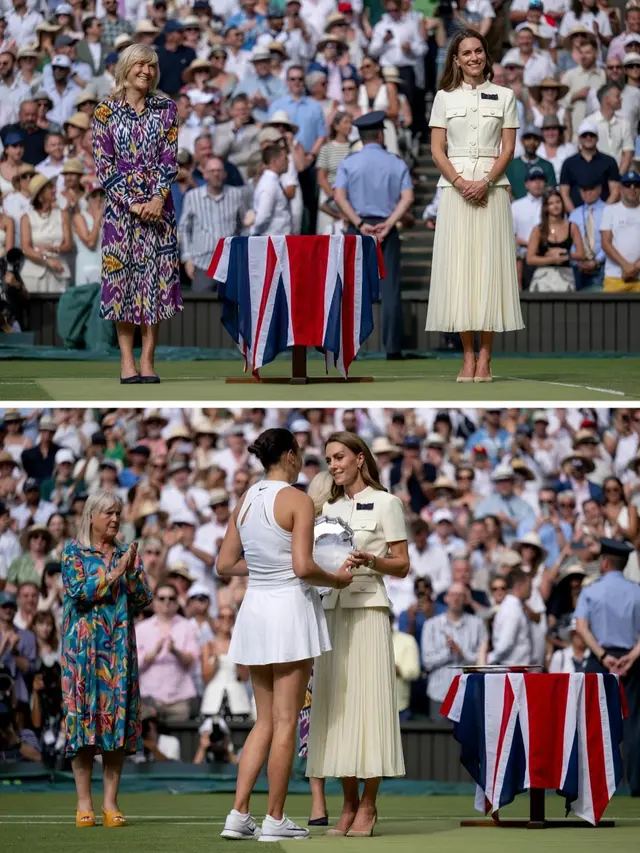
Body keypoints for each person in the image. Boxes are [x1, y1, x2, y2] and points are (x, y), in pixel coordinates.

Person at [216, 428, 352, 843]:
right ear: (291, 455)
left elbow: (225, 563)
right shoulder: (297, 499)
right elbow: (302, 566)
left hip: (256, 610)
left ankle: (239, 813)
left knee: (265, 722)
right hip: (289, 611)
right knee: (286, 721)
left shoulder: (246, 498)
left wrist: (264, 569)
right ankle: (275, 818)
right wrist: (337, 578)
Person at [307, 431, 409, 837]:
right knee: (338, 709)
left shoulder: (388, 503)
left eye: (339, 457)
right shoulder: (324, 508)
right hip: (332, 613)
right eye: (329, 459)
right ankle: (347, 805)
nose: (333, 465)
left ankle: (368, 805)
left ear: (360, 459)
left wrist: (373, 560)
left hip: (368, 612)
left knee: (370, 707)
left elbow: (402, 564)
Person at [427, 30, 524, 383]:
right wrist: (459, 183)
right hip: (454, 192)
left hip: (492, 189)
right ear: (455, 59)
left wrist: (483, 182)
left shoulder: (506, 96)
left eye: (478, 51)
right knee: (460, 273)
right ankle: (467, 356)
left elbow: (508, 149)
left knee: (490, 272)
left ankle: (486, 359)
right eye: (465, 52)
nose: (473, 57)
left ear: (486, 55)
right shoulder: (443, 97)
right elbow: (438, 149)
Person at [61, 490, 152, 827]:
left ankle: (110, 803)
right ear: (92, 516)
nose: (115, 519)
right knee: (82, 727)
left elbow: (143, 598)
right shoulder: (74, 551)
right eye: (108, 514)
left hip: (117, 652)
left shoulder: (127, 553)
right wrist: (114, 574)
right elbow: (78, 591)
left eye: (118, 513)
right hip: (82, 654)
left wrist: (129, 571)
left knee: (116, 726)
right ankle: (83, 802)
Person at [93, 44, 182, 385]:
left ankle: (148, 359)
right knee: (122, 283)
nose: (146, 71)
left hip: (160, 207)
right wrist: (131, 203)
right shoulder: (105, 111)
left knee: (155, 282)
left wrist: (158, 199)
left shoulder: (166, 108)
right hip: (120, 212)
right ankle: (126, 360)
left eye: (151, 66)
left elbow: (168, 159)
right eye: (140, 65)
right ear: (126, 68)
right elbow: (104, 165)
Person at [333, 110, 414, 361]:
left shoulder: (349, 162)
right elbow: (408, 197)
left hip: (358, 228)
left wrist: (358, 222)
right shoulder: (396, 162)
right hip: (385, 229)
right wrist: (390, 223)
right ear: (380, 135)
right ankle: (392, 348)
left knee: (351, 289)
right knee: (390, 291)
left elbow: (338, 197)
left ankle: (349, 347)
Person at [574, 538, 640, 796]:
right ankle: (637, 784)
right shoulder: (637, 590)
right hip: (631, 660)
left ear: (604, 562)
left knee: (595, 721)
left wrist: (603, 656)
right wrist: (631, 657)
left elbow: (581, 628)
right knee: (634, 722)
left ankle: (595, 784)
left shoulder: (591, 591)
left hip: (601, 660)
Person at [178, 156, 250, 291]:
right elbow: (184, 229)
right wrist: (187, 258)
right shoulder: (192, 197)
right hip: (202, 263)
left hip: (230, 263)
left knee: (232, 307)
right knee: (202, 309)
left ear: (224, 174)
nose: (216, 174)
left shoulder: (236, 195)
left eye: (219, 171)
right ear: (204, 174)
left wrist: (241, 253)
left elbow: (244, 226)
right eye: (212, 171)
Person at [421, 581, 488, 717]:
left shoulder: (478, 625)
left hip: (468, 694)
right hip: (439, 693)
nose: (456, 598)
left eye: (460, 595)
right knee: (439, 737)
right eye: (453, 594)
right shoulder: (431, 625)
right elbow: (427, 662)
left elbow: (482, 663)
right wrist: (448, 653)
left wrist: (461, 654)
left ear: (466, 599)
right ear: (446, 598)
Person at [527, 187, 585, 291]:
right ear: (546, 207)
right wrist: (552, 259)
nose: (555, 206)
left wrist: (564, 253)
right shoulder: (538, 230)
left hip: (565, 275)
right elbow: (530, 259)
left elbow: (581, 254)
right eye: (551, 203)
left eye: (558, 202)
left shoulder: (572, 227)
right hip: (542, 277)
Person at [600, 168, 640, 292]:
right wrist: (625, 265)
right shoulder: (609, 210)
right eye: (628, 185)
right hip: (615, 275)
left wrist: (634, 268)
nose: (632, 188)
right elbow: (605, 243)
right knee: (611, 312)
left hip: (638, 276)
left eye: (636, 185)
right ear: (621, 188)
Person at [487, 566, 533, 664]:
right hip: (511, 670)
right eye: (529, 585)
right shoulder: (512, 609)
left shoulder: (513, 606)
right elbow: (505, 644)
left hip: (515, 670)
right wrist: (487, 660)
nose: (531, 589)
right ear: (520, 585)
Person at [568, 178, 607, 290]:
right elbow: (569, 242)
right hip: (578, 267)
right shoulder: (575, 213)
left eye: (591, 189)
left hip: (601, 265)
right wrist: (577, 262)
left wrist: (597, 260)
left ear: (599, 189)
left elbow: (611, 240)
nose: (587, 193)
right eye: (584, 190)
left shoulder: (608, 210)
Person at [251, 143, 293, 235]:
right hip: (272, 242)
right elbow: (262, 217)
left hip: (278, 240)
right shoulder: (269, 185)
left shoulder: (273, 182)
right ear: (274, 162)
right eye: (285, 158)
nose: (288, 161)